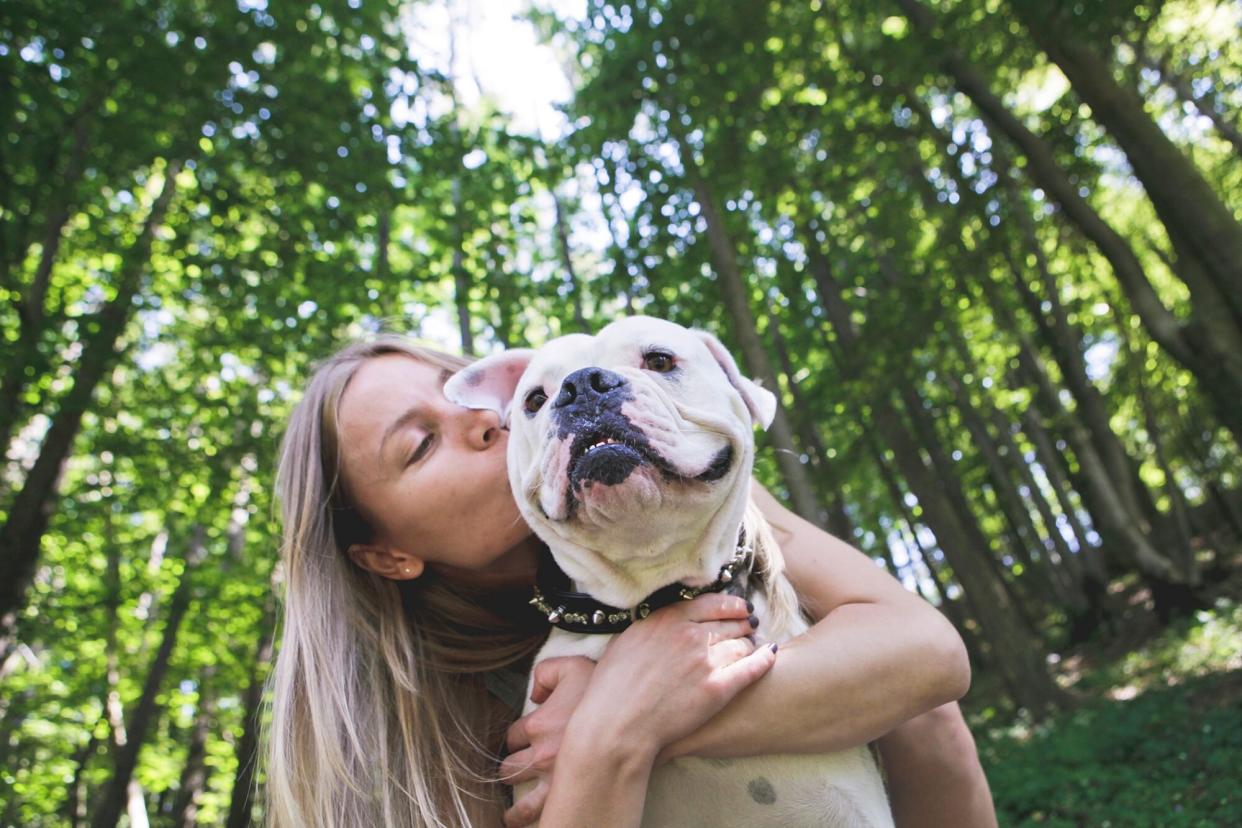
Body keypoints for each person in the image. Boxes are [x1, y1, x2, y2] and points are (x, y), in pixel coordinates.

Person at [265, 334, 997, 827]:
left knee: (914, 704)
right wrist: (607, 743)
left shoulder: (696, 501)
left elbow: (926, 656)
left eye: (471, 405)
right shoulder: (423, 730)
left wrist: (642, 714)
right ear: (389, 556)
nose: (484, 428)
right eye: (422, 444)